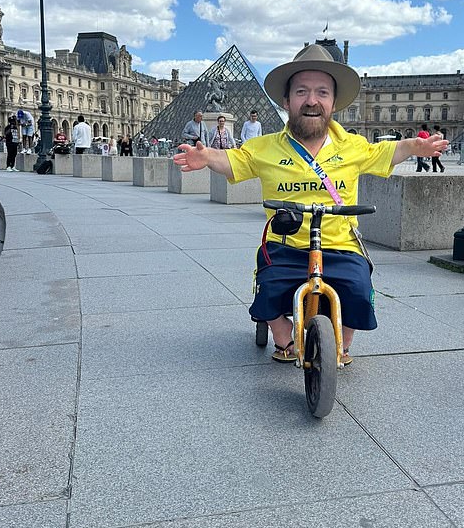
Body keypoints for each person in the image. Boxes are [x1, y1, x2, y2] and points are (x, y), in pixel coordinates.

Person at [174, 43, 447, 365]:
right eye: (302, 92)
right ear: (287, 101)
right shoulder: (263, 147)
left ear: (333, 103)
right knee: (268, 290)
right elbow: (233, 160)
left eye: (322, 92)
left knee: (359, 290)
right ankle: (283, 337)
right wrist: (206, 156)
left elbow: (385, 153)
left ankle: (341, 345)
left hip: (342, 245)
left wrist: (413, 146)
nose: (312, 100)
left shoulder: (353, 145)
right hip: (284, 244)